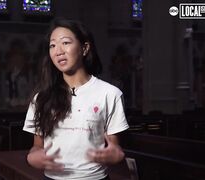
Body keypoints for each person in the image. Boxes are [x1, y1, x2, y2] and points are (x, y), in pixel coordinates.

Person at [23, 18, 129, 180]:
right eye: (52, 45)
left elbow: (114, 148)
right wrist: (33, 157)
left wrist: (115, 154)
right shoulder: (41, 98)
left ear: (84, 48)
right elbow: (37, 147)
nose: (58, 51)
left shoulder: (109, 93)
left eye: (65, 43)